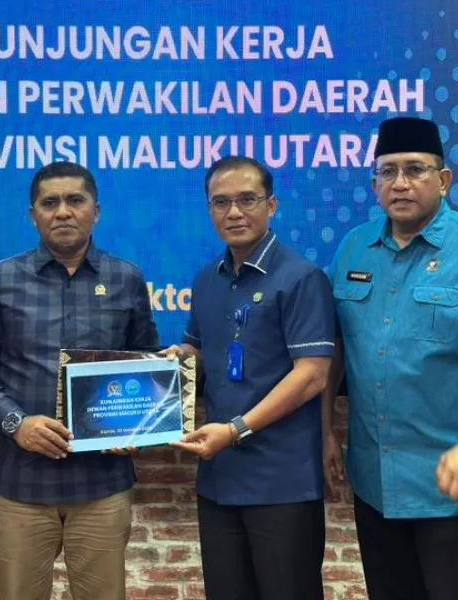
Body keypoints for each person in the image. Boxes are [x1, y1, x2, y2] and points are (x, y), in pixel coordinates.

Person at [322, 116, 458, 600]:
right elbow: (335, 348)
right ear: (374, 184)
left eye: (415, 170)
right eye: (387, 171)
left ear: (444, 180)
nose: (400, 183)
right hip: (375, 482)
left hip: (452, 484)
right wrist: (324, 429)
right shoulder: (353, 249)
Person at [0, 161, 158, 600]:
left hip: (101, 485)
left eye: (75, 201)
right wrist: (16, 423)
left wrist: (136, 426)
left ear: (95, 211)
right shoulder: (1, 279)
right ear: (34, 215)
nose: (63, 211)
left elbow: (145, 365)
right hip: (20, 485)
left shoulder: (127, 279)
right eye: (50, 203)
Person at [167, 156, 336, 600]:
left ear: (272, 205)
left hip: (281, 482)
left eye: (247, 200)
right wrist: (173, 362)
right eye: (221, 202)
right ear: (209, 209)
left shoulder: (301, 278)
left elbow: (312, 376)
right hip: (219, 479)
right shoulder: (207, 280)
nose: (234, 213)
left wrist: (236, 429)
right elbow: (199, 352)